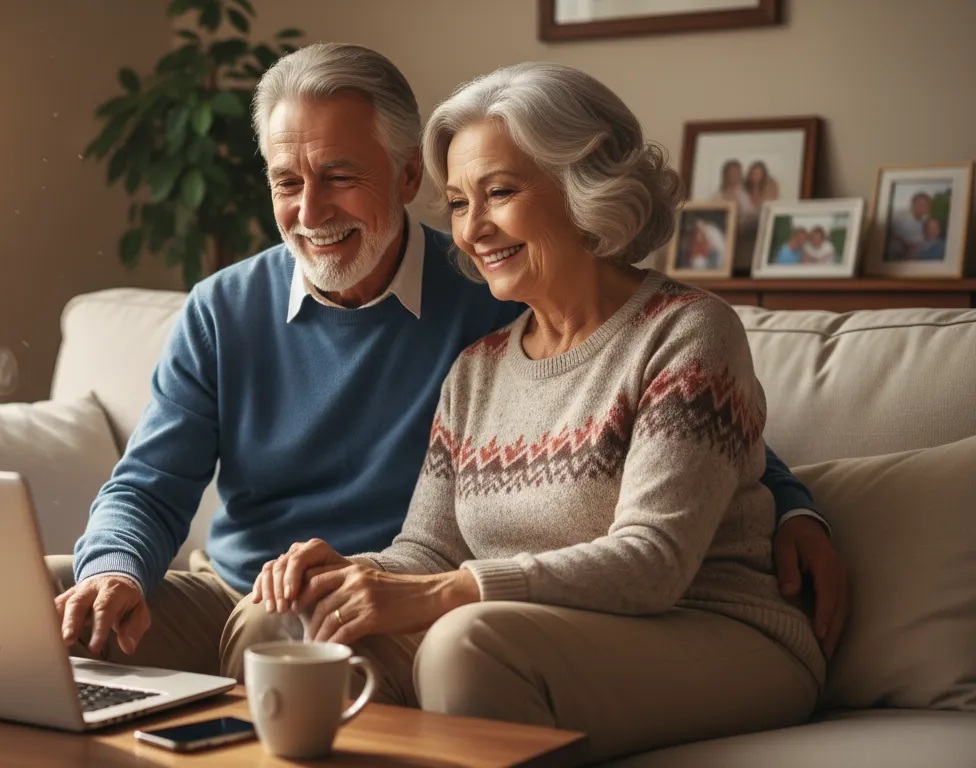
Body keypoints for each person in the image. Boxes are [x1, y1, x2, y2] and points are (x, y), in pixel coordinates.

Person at [54, 45, 849, 705]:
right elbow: (149, 485)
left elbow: (687, 435)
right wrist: (113, 570)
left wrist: (792, 502)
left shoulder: (489, 294)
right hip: (271, 586)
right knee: (52, 608)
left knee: (319, 639)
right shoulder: (240, 313)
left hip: (430, 610)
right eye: (287, 182)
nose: (310, 209)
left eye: (339, 175)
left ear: (405, 180)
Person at [251, 62, 827, 764]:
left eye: (500, 192)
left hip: (717, 629)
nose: (473, 229)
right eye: (459, 203)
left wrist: (453, 592)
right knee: (290, 624)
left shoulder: (687, 330)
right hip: (534, 630)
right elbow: (427, 552)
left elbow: (654, 561)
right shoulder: (478, 369)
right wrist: (344, 575)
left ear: (587, 189)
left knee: (467, 645)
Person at [889, 192, 931, 259]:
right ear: (913, 205)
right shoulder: (899, 217)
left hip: (920, 255)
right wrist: (905, 246)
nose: (922, 208)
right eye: (919, 205)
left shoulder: (928, 220)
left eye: (925, 205)